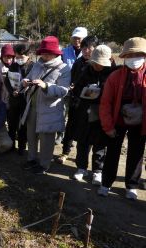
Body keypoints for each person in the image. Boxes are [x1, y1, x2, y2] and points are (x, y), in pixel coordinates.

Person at [98, 37, 146, 200]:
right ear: (124, 57)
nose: (134, 59)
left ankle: (132, 186)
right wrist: (108, 126)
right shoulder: (115, 76)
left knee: (136, 153)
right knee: (112, 151)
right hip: (118, 118)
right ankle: (106, 183)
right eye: (130, 55)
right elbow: (105, 103)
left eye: (139, 54)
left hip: (141, 121)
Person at [21, 36, 71, 174]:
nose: (45, 55)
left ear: (55, 53)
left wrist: (45, 86)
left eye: (48, 52)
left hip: (50, 110)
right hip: (32, 106)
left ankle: (44, 164)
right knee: (31, 136)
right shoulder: (37, 64)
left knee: (46, 140)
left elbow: (63, 91)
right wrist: (25, 81)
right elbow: (30, 78)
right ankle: (31, 159)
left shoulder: (63, 69)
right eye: (43, 52)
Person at [71, 45, 115, 184]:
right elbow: (77, 89)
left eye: (100, 64)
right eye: (95, 63)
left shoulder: (112, 73)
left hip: (102, 112)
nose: (97, 66)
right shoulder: (85, 70)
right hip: (85, 111)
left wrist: (101, 91)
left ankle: (97, 171)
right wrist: (85, 91)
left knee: (100, 143)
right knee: (82, 141)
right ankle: (81, 167)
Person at [56, 36, 99, 164]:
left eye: (89, 48)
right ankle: (65, 152)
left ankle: (84, 158)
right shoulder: (78, 62)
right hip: (76, 101)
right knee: (71, 127)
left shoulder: (100, 64)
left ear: (95, 49)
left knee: (88, 132)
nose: (86, 51)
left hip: (93, 105)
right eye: (84, 48)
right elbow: (72, 79)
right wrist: (72, 86)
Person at [0, 43, 34, 155]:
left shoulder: (32, 66)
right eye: (17, 57)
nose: (19, 59)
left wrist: (26, 86)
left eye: (21, 57)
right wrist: (11, 91)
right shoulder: (13, 66)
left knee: (23, 125)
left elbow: (35, 83)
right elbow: (6, 81)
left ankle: (22, 147)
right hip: (14, 100)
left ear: (28, 55)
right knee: (12, 123)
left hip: (26, 100)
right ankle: (10, 145)